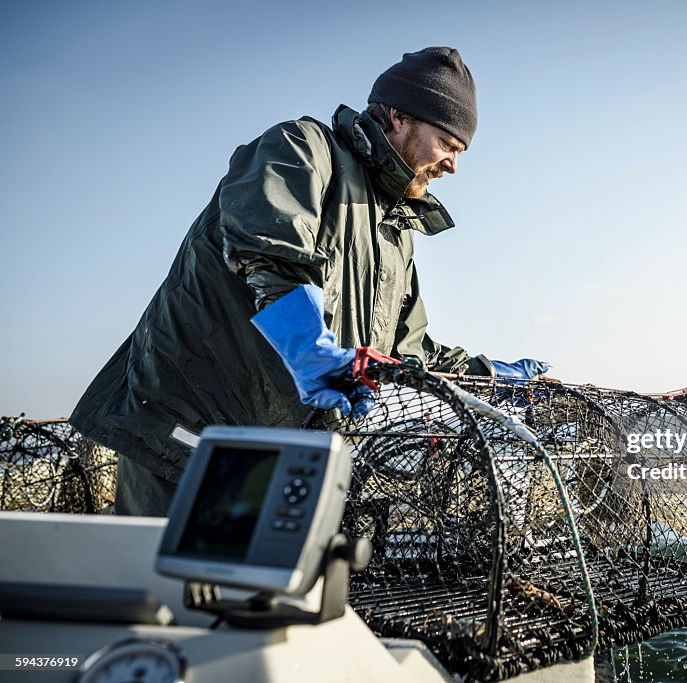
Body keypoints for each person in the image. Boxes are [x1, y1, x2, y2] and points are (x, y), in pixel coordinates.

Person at [70, 47, 548, 516]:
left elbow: (409, 354)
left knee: (256, 592)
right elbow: (268, 254)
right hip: (188, 437)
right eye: (448, 144)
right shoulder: (301, 148)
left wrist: (489, 375)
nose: (453, 166)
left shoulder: (396, 232)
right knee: (170, 587)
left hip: (278, 455)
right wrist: (308, 348)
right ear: (400, 117)